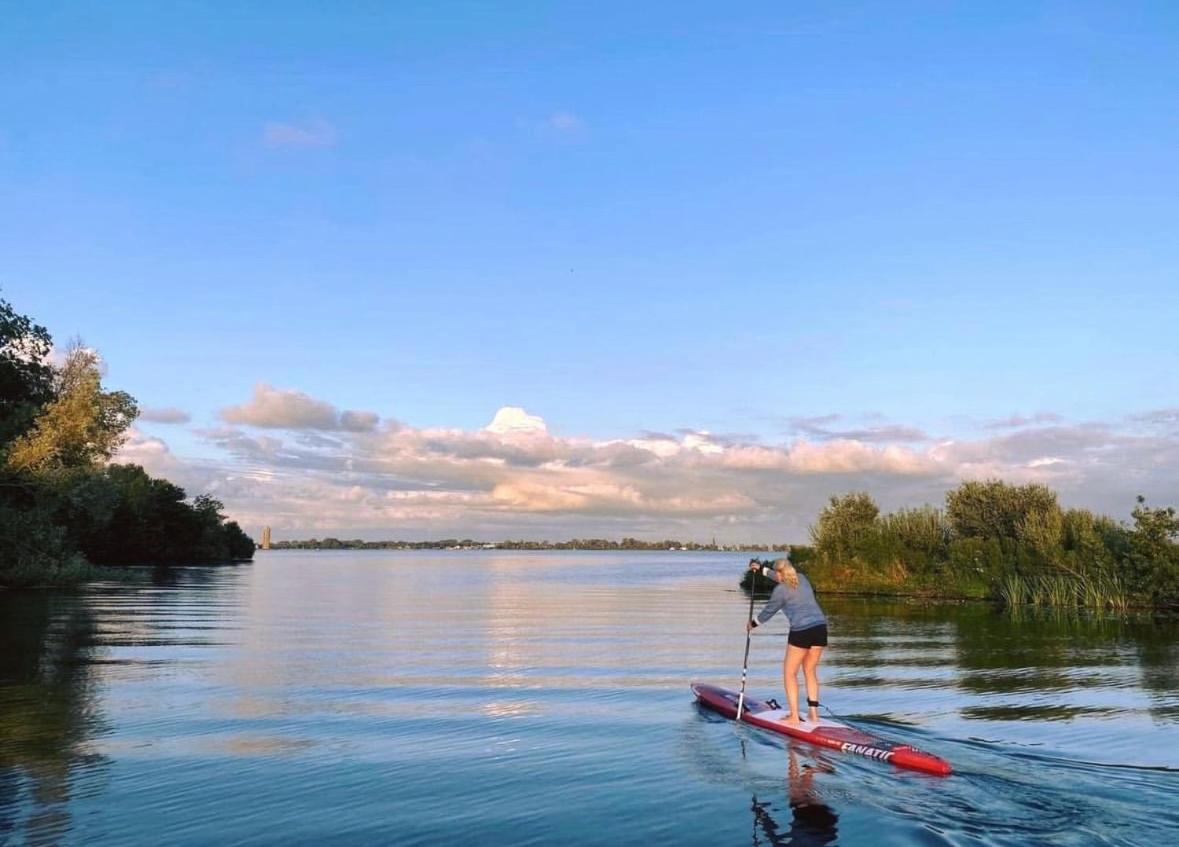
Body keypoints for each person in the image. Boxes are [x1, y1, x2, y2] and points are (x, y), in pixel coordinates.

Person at [747, 556, 828, 726]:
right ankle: (814, 714)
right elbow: (780, 577)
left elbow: (768, 612)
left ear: (779, 573)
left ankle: (794, 716)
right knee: (810, 671)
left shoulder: (780, 591)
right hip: (820, 628)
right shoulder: (802, 578)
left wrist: (752, 624)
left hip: (801, 631)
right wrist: (761, 568)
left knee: (790, 673)